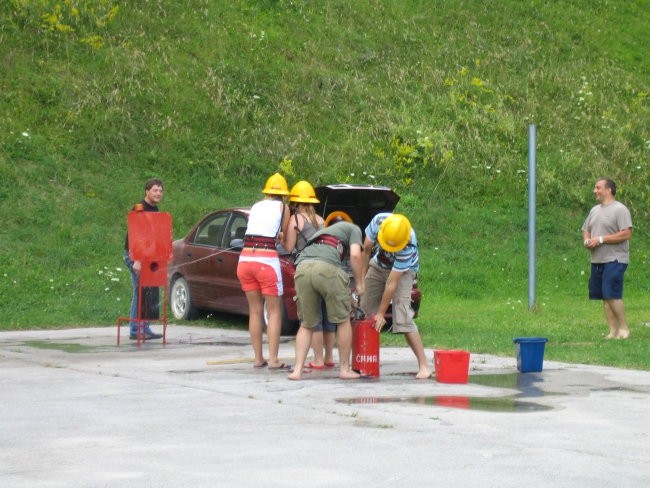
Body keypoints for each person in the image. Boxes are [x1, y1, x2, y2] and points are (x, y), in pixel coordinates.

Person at [288, 220, 365, 380]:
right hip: (327, 268)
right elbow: (356, 255)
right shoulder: (354, 228)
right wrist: (359, 283)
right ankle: (345, 369)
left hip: (302, 267)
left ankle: (297, 371)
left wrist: (348, 298)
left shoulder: (322, 233)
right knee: (343, 320)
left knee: (306, 324)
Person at [360, 213, 431, 379]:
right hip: (379, 265)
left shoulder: (409, 245)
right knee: (363, 313)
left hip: (404, 272)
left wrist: (381, 313)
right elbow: (366, 249)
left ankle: (424, 366)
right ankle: (361, 362)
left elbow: (391, 283)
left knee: (403, 318)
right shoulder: (378, 221)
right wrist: (362, 280)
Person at [237, 173, 292, 369]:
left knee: (255, 310)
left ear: (267, 192)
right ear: (283, 195)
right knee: (274, 311)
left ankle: (258, 358)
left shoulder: (256, 206)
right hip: (266, 260)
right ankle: (274, 359)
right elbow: (284, 237)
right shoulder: (283, 207)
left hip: (244, 260)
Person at [284, 180, 335, 370]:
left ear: (296, 202)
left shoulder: (295, 220)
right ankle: (329, 357)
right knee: (328, 315)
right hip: (327, 268)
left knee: (313, 317)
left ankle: (319, 359)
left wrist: (282, 238)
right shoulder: (323, 220)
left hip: (307, 270)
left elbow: (289, 247)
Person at [581, 178, 633, 339]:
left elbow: (626, 233)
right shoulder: (594, 210)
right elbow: (586, 229)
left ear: (609, 190)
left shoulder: (620, 209)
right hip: (598, 259)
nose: (595, 191)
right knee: (605, 295)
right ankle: (613, 331)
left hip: (615, 258)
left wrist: (601, 239)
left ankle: (624, 329)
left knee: (612, 294)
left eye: (598, 188)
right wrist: (587, 240)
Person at [123, 178, 164, 340]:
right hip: (135, 257)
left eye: (160, 190)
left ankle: (144, 328)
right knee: (139, 292)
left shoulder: (155, 209)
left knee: (147, 292)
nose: (158, 193)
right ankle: (135, 330)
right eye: (155, 190)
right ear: (147, 191)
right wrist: (137, 260)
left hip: (147, 258)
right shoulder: (139, 208)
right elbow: (136, 234)